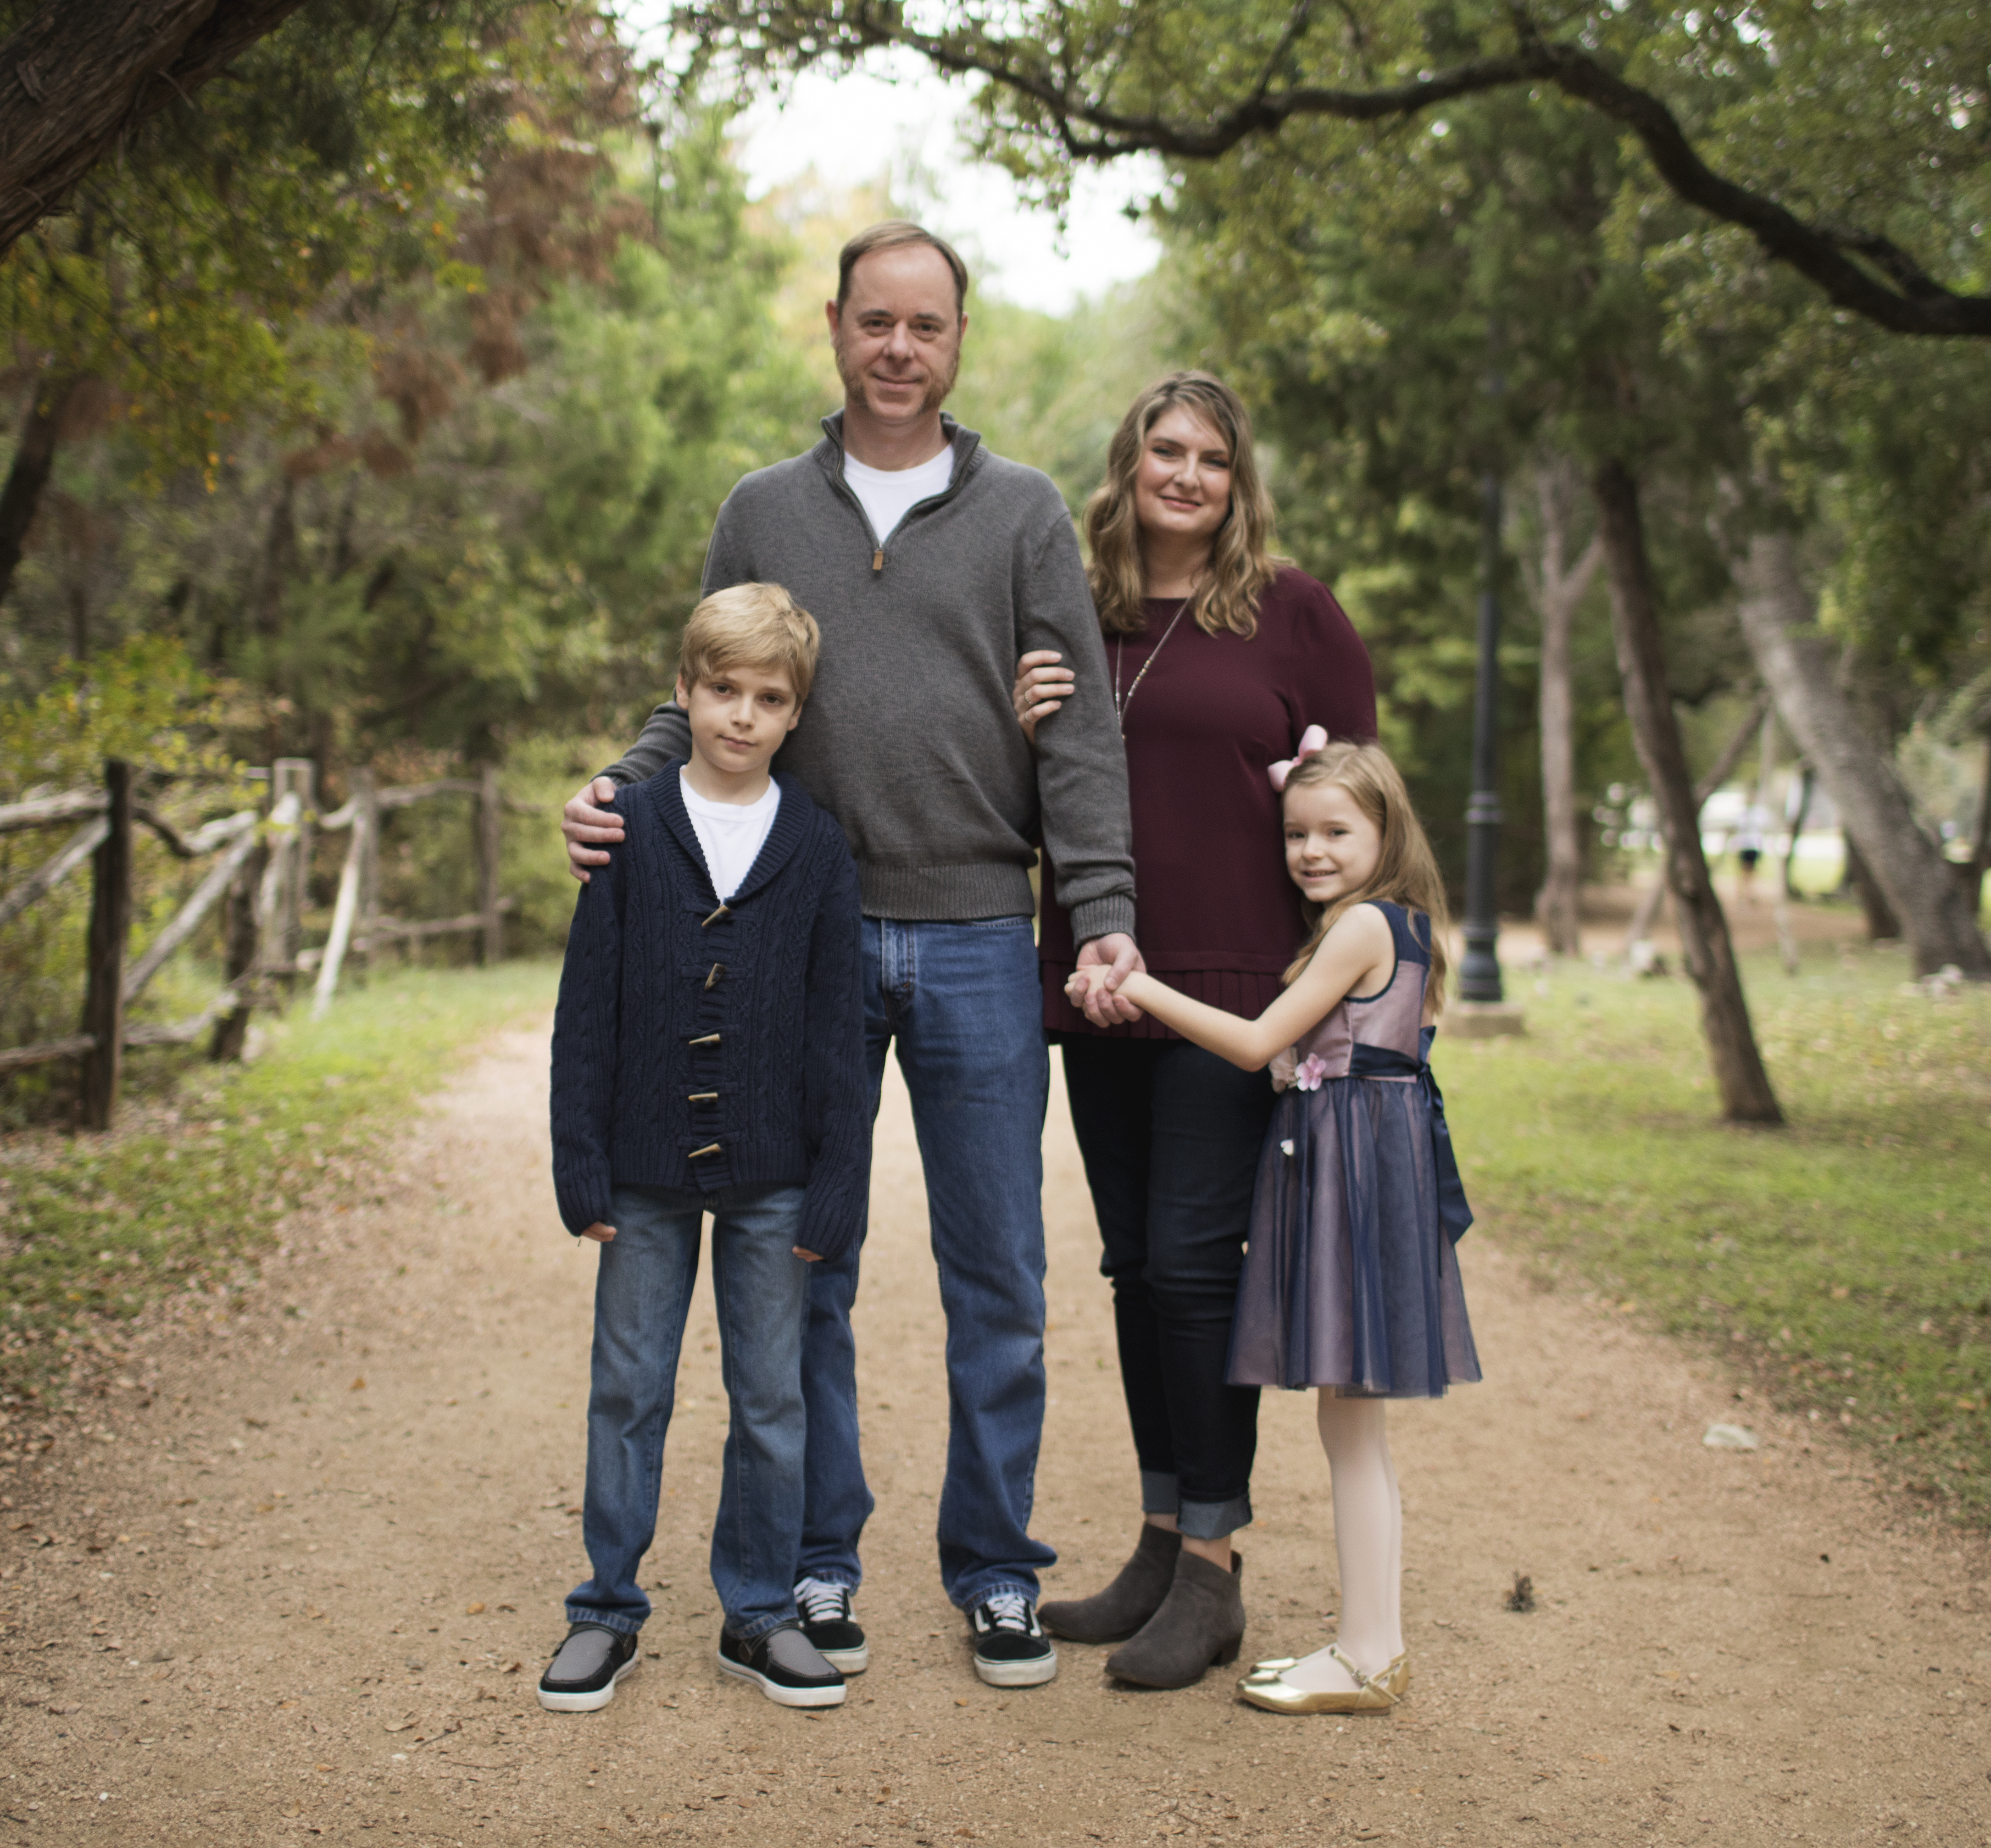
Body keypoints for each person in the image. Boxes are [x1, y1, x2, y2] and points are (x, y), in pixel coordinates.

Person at [561, 222, 1142, 1689]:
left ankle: (997, 1568)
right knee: (805, 1256)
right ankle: (817, 1560)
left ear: (961, 339)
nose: (899, 348)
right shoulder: (762, 505)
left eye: (926, 325)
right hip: (793, 941)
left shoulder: (1023, 516)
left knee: (997, 1268)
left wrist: (1105, 907)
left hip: (973, 935)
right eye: (874, 321)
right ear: (835, 328)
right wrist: (621, 789)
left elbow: (1079, 738)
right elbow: (696, 679)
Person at [1007, 370, 1376, 1689]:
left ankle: (1216, 1566)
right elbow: (1022, 790)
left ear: (1238, 481)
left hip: (1236, 993)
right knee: (1132, 1266)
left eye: (1211, 459)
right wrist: (1016, 724)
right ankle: (1162, 1539)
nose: (1185, 475)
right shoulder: (1073, 612)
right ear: (1128, 462)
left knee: (1193, 1260)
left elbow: (1359, 805)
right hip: (1102, 980)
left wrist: (1347, 975)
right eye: (1164, 450)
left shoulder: (1294, 615)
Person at [1066, 740, 1480, 1716]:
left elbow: (1259, 1043)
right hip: (1370, 1162)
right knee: (1352, 1429)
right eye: (1296, 832)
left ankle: (1372, 1650)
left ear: (1387, 831)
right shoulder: (1407, 925)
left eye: (1338, 830)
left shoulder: (1361, 928)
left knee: (1353, 1428)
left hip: (1354, 1173)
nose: (1311, 849)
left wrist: (1142, 985)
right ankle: (1369, 1643)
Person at [537, 584, 872, 1714]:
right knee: (628, 1386)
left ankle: (760, 1610)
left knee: (770, 1396)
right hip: (640, 1169)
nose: (741, 714)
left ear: (794, 714)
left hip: (777, 1174)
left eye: (768, 698)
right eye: (721, 690)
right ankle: (606, 1609)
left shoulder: (818, 847)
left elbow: (839, 1032)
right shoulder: (630, 832)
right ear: (682, 693)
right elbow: (585, 1010)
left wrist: (838, 1189)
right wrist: (577, 1160)